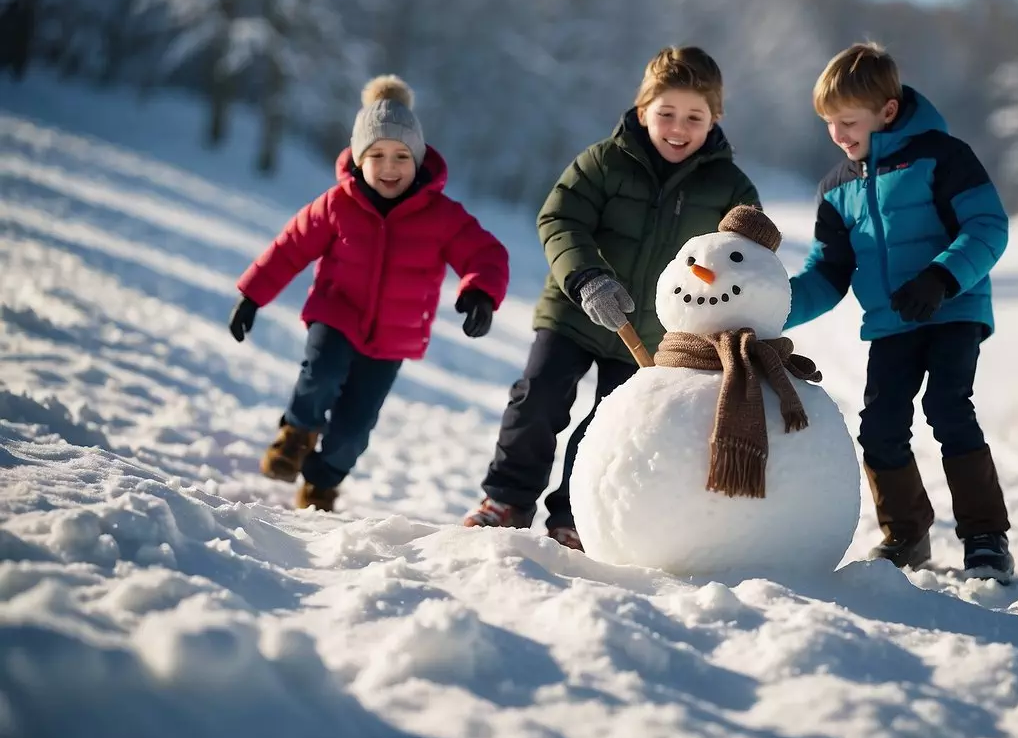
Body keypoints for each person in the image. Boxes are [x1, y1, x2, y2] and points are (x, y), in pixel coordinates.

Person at [463, 46, 761, 550]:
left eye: (694, 116)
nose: (677, 127)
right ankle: (507, 499)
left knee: (610, 424)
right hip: (575, 310)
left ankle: (573, 515)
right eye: (665, 113)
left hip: (652, 334)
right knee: (537, 399)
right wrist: (587, 279)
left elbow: (744, 259)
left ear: (715, 119)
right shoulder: (603, 161)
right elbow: (559, 218)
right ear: (642, 110)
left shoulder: (730, 187)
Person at [229, 75, 509, 511]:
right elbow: (290, 247)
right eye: (376, 155)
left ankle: (323, 480)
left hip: (392, 339)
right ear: (359, 158)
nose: (390, 167)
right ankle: (297, 432)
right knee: (319, 374)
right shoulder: (337, 204)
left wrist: (481, 293)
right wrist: (252, 295)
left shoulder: (440, 216)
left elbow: (485, 253)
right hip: (336, 312)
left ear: (418, 159)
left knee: (355, 428)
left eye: (401, 155)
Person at [786, 42, 1014, 578]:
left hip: (953, 310)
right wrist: (777, 307)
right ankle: (906, 534)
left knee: (948, 408)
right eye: (829, 124)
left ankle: (986, 538)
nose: (839, 136)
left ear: (887, 112)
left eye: (848, 121)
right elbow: (828, 272)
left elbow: (988, 227)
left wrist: (941, 278)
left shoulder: (944, 155)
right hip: (892, 324)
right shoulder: (836, 187)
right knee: (880, 426)